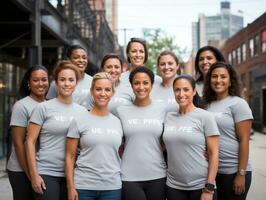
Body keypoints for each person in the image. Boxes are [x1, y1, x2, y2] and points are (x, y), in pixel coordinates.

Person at [25, 60, 87, 200]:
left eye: (71, 80)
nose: (66, 83)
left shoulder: (83, 112)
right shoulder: (43, 108)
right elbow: (29, 142)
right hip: (46, 172)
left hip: (74, 175)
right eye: (62, 79)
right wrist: (34, 175)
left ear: (76, 83)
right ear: (56, 82)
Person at [65, 72, 123, 200]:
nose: (103, 94)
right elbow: (70, 156)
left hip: (112, 187)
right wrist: (70, 187)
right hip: (84, 187)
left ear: (113, 93)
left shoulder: (117, 122)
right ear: (92, 91)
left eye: (107, 89)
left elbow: (119, 152)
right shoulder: (79, 120)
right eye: (98, 89)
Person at [163, 74, 219, 200]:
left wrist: (209, 188)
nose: (181, 93)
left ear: (194, 91)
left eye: (186, 89)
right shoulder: (168, 117)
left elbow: (214, 153)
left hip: (201, 186)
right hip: (173, 186)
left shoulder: (205, 117)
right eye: (177, 90)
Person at [202, 62, 253, 200]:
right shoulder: (206, 104)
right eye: (214, 76)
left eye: (223, 77)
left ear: (230, 81)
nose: (218, 80)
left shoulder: (238, 104)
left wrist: (241, 174)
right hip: (213, 171)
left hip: (233, 171)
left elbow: (244, 140)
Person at [116, 67, 166, 200]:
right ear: (131, 86)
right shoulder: (121, 111)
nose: (141, 87)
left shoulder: (163, 109)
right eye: (136, 83)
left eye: (145, 83)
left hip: (158, 175)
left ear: (152, 85)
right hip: (129, 176)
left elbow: (170, 139)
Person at [7, 65, 49, 200]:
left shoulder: (50, 105)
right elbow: (18, 144)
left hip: (41, 167)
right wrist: (31, 175)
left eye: (44, 79)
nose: (41, 84)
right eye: (36, 80)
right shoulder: (21, 106)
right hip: (21, 170)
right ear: (29, 83)